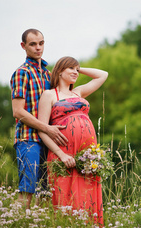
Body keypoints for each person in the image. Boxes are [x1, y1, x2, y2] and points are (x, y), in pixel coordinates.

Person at [37, 56, 108, 226]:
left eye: (77, 69)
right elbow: (42, 129)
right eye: (71, 69)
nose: (76, 72)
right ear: (60, 71)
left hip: (87, 157)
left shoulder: (79, 92)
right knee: (66, 198)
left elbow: (103, 75)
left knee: (88, 195)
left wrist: (77, 68)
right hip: (64, 155)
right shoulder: (49, 95)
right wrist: (61, 154)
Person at [10, 29, 68, 210]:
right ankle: (16, 222)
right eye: (33, 44)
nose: (38, 48)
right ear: (23, 46)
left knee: (46, 190)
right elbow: (18, 112)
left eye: (41, 43)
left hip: (48, 140)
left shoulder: (47, 74)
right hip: (28, 139)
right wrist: (47, 127)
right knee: (27, 188)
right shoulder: (22, 73)